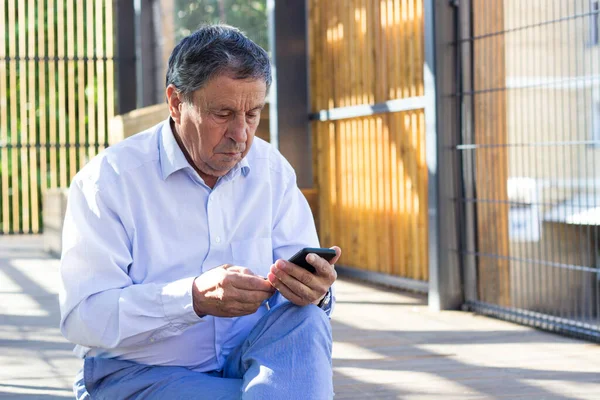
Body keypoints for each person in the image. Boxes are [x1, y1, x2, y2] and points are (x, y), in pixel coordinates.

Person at [59, 24, 341, 400]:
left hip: (250, 364)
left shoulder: (271, 170)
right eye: (223, 114)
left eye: (253, 114)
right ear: (176, 103)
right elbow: (83, 319)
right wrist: (190, 298)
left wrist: (316, 291)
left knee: (306, 319)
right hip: (141, 374)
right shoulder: (108, 182)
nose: (241, 134)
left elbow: (300, 292)